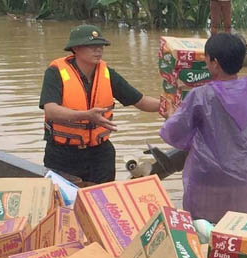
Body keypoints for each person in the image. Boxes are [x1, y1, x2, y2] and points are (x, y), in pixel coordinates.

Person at [160, 33, 247, 222]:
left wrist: (170, 116)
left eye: (206, 59)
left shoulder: (200, 96)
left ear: (214, 63)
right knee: (244, 231)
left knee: (207, 235)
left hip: (209, 182)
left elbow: (174, 134)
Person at [39, 24, 163, 184]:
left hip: (100, 154)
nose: (98, 50)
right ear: (76, 48)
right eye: (91, 46)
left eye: (100, 46)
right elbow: (51, 110)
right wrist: (86, 116)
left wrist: (169, 106)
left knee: (102, 202)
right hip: (62, 155)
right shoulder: (56, 73)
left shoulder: (106, 74)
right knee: (65, 204)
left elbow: (141, 101)